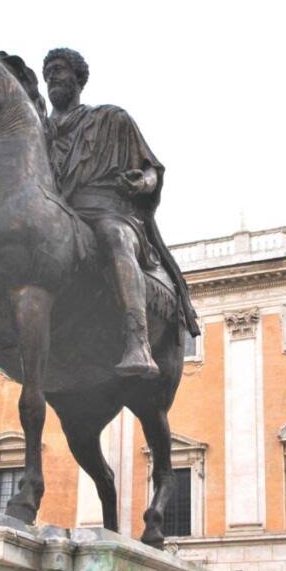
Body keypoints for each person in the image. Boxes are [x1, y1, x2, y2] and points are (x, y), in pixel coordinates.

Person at [42, 48, 199, 378]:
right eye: (47, 72)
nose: (52, 77)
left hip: (108, 211)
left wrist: (141, 181)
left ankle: (137, 340)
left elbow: (151, 168)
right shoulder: (40, 132)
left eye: (59, 69)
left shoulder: (112, 119)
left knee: (113, 236)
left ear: (78, 77)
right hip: (59, 214)